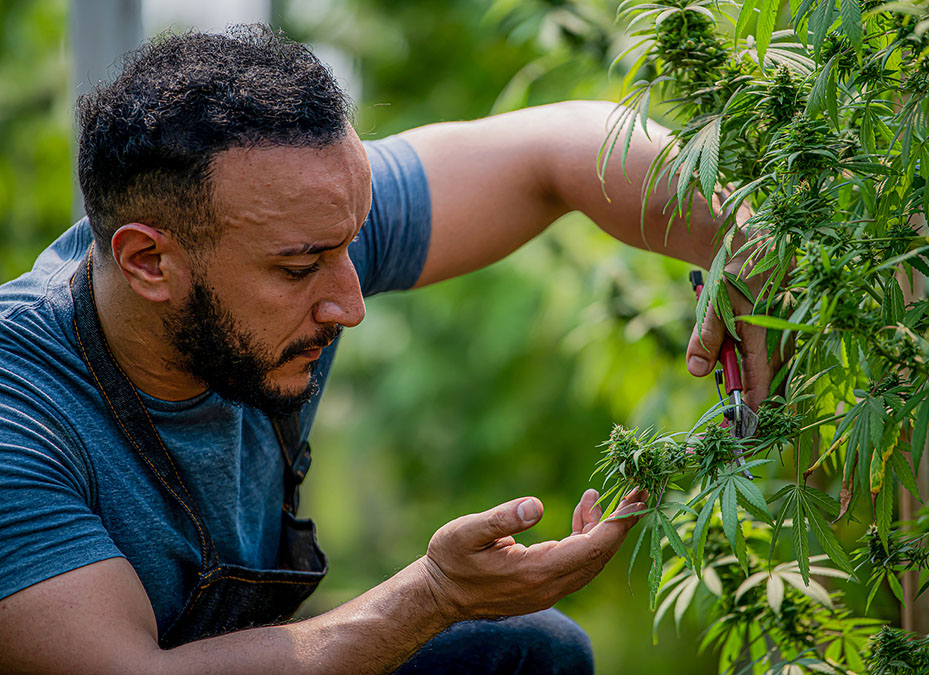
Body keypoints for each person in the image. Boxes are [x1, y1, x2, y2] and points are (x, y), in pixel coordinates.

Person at [0, 25, 772, 674]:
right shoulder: (20, 411)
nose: (350, 302)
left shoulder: (292, 218)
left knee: (533, 652)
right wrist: (434, 592)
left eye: (350, 246)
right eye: (300, 268)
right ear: (148, 262)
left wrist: (740, 241)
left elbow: (563, 149)